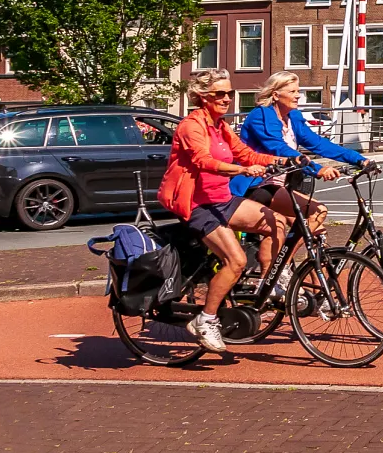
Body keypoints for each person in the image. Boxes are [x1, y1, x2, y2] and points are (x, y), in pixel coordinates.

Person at [157, 69, 286, 353]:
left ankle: (270, 283)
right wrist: (241, 169)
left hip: (223, 200)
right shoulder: (192, 126)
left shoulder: (220, 125)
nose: (227, 98)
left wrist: (282, 160)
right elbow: (203, 161)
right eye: (220, 94)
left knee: (275, 223)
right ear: (203, 97)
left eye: (230, 93)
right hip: (197, 205)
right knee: (236, 261)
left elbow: (245, 153)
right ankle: (206, 319)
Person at [234, 72, 368, 239]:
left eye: (298, 91)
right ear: (275, 95)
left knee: (318, 234)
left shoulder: (292, 117)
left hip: (281, 185)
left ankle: (302, 263)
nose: (298, 96)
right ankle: (283, 263)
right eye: (292, 92)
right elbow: (279, 148)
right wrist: (317, 169)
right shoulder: (261, 116)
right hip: (256, 184)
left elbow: (318, 144)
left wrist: (359, 159)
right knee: (316, 212)